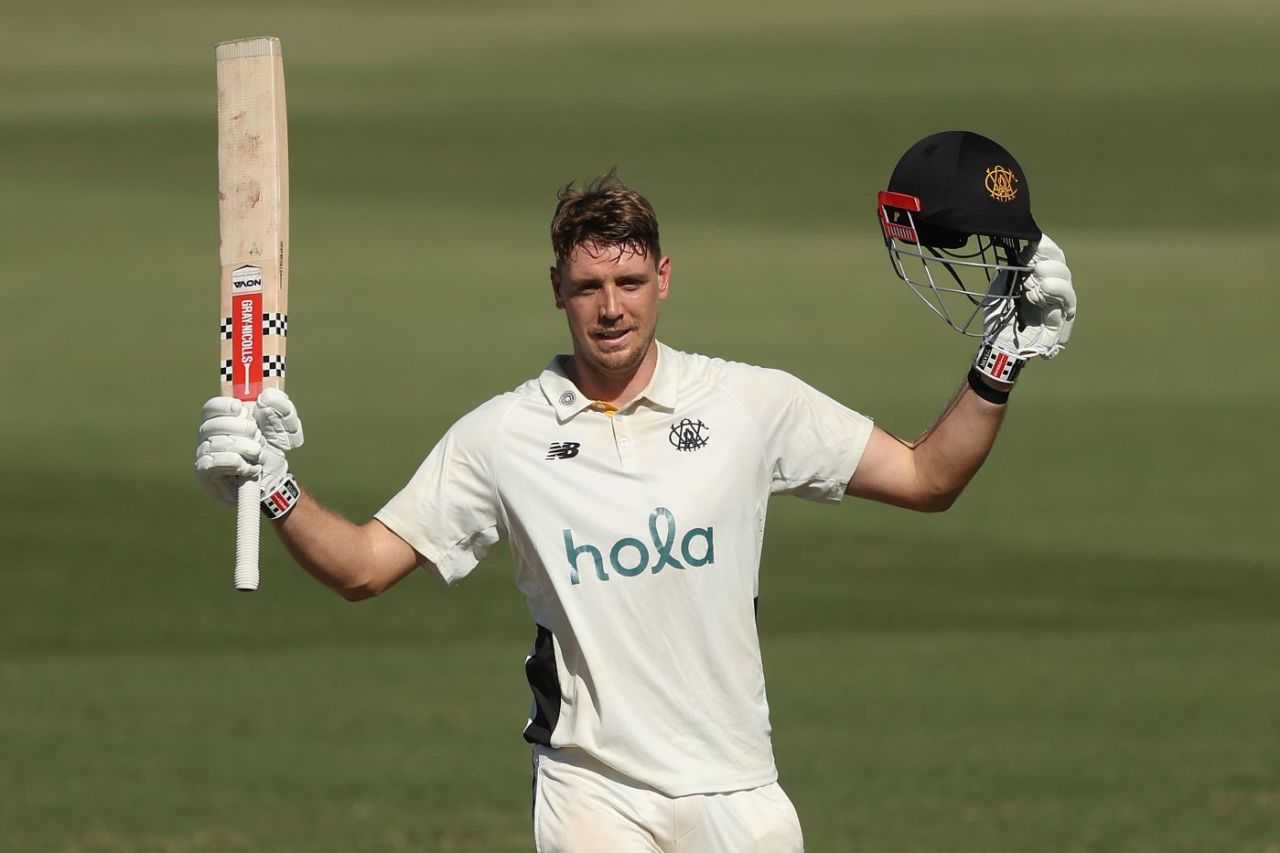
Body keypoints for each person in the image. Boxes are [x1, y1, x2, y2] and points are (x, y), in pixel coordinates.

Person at [194, 132, 1076, 852]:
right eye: (586, 287)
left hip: (738, 787)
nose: (609, 307)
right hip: (592, 797)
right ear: (556, 292)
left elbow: (928, 478)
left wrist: (1001, 360)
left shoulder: (747, 403)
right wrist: (275, 486)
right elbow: (361, 567)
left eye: (626, 282)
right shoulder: (503, 435)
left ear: (663, 278)